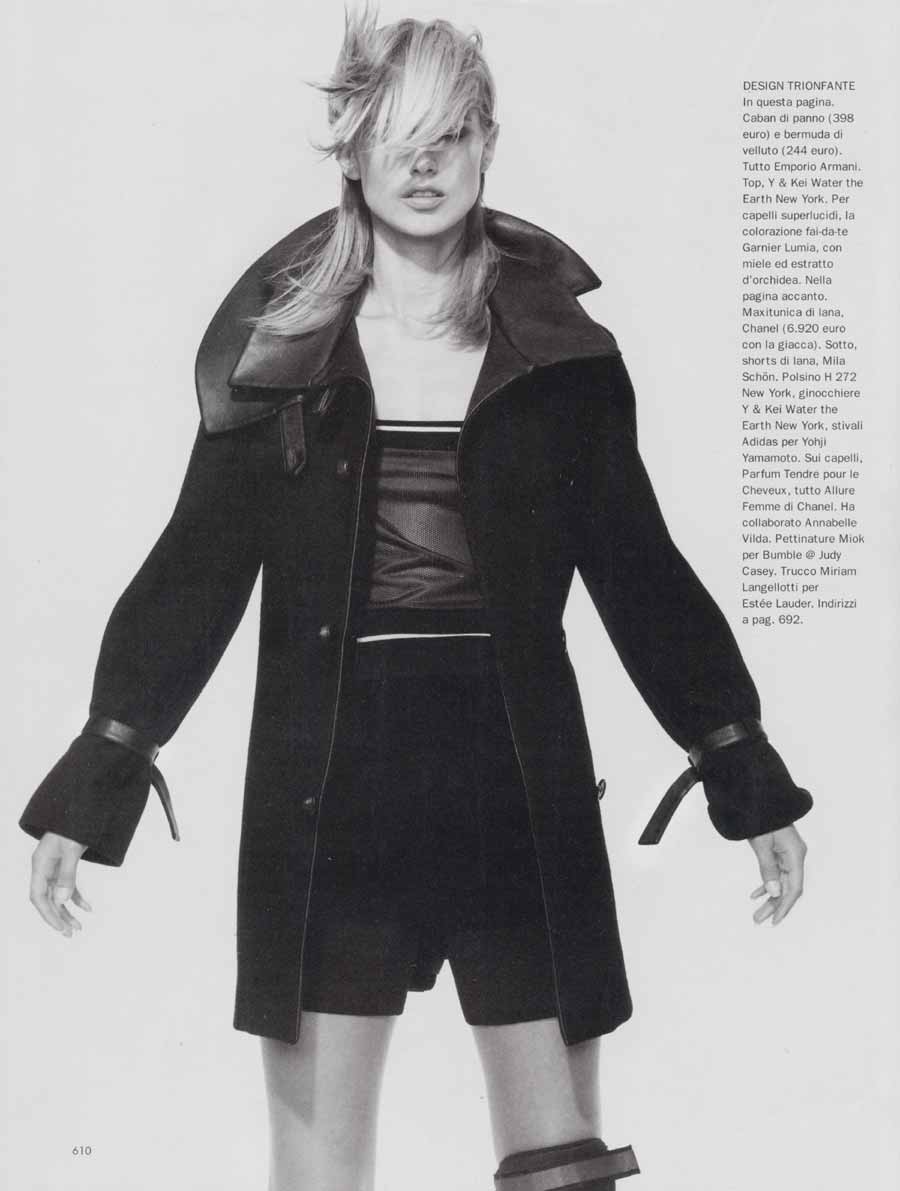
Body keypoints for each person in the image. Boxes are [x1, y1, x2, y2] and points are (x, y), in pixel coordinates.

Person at [19, 7, 813, 1191]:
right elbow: (194, 570)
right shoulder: (276, 356)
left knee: (563, 1170)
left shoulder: (564, 361)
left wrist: (740, 765)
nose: (424, 163)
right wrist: (100, 775)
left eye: (449, 134)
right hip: (329, 791)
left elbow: (642, 572)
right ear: (351, 151)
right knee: (317, 1179)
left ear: (488, 142)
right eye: (396, 134)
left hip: (517, 783)